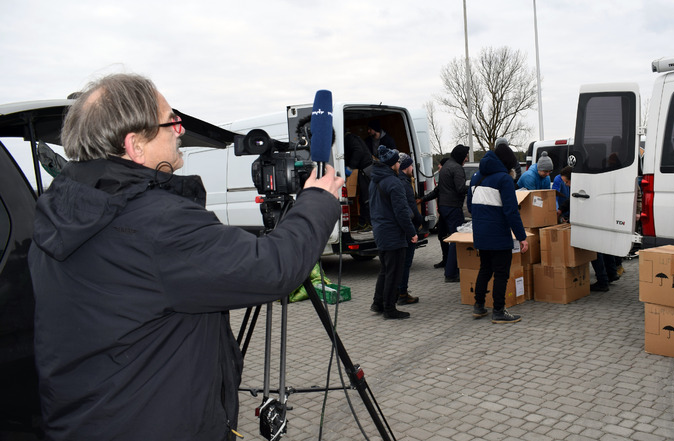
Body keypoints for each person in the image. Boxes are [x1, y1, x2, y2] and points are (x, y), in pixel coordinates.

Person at [26, 73, 344, 441]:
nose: (179, 130)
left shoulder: (57, 210)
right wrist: (318, 200)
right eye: (169, 121)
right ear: (135, 145)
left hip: (85, 420)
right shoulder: (156, 223)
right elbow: (274, 268)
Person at [467, 143, 529, 324]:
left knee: (485, 269)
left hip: (480, 233)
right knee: (501, 273)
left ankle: (478, 306)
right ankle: (499, 311)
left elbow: (470, 207)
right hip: (499, 235)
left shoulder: (476, 177)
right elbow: (511, 211)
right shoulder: (504, 179)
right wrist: (522, 237)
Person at [368, 145, 418, 319]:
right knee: (394, 272)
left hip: (380, 230)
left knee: (385, 269)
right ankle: (389, 308)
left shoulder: (375, 180)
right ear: (392, 164)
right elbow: (402, 212)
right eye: (397, 161)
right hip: (392, 233)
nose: (399, 163)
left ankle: (378, 302)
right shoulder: (394, 183)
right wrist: (412, 232)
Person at [438, 144, 470, 283]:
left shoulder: (446, 166)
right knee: (456, 239)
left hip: (444, 206)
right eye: (466, 156)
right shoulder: (457, 168)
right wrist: (474, 186)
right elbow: (460, 188)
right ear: (461, 156)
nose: (467, 159)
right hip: (453, 207)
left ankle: (452, 270)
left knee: (452, 237)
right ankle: (451, 273)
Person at [396, 153, 424, 305]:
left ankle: (399, 291)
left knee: (400, 263)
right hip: (409, 227)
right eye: (411, 165)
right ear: (406, 167)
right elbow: (411, 205)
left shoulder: (398, 180)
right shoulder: (404, 183)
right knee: (406, 263)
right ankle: (402, 293)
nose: (413, 168)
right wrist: (419, 220)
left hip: (399, 228)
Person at [419, 157, 450, 268]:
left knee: (448, 236)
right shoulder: (443, 177)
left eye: (440, 165)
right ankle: (445, 259)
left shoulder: (448, 177)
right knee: (442, 235)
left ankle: (451, 262)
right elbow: (436, 192)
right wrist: (422, 199)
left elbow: (437, 192)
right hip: (443, 213)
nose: (438, 166)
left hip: (449, 213)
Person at [345, 132, 374, 229]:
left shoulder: (349, 139)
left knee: (366, 198)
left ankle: (370, 223)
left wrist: (350, 167)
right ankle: (363, 223)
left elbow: (358, 151)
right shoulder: (354, 138)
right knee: (363, 199)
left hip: (365, 170)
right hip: (364, 169)